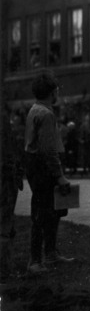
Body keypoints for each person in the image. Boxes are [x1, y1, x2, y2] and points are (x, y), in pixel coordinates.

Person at [23, 70, 74, 274]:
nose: (58, 93)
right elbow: (48, 150)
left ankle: (50, 254)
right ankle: (35, 261)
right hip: (43, 167)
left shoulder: (34, 109)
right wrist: (59, 176)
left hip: (35, 165)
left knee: (51, 211)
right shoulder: (46, 114)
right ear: (52, 92)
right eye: (57, 90)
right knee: (43, 213)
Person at [1, 109, 25, 285]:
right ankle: (4, 271)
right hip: (3, 178)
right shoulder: (2, 118)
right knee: (4, 223)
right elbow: (8, 150)